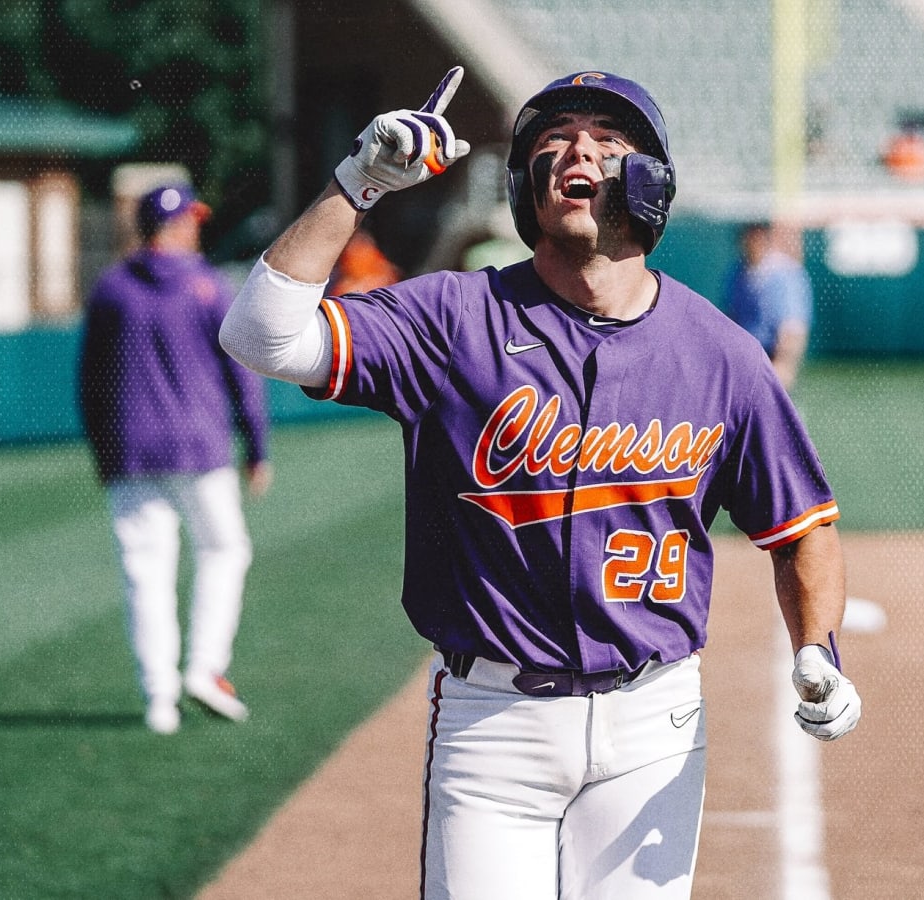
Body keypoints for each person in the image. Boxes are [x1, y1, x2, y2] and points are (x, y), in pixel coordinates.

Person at [219, 67, 860, 898]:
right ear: (527, 188)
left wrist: (820, 649)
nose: (573, 153)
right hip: (495, 725)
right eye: (551, 144)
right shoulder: (451, 319)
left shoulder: (721, 354)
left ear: (651, 180)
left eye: (604, 139)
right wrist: (359, 182)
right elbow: (260, 335)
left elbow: (801, 528)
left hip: (653, 721)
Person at [78, 182, 272, 735]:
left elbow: (89, 382)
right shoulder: (208, 285)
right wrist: (257, 446)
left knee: (147, 573)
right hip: (202, 448)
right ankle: (206, 669)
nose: (197, 227)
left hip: (132, 453)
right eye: (191, 218)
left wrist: (102, 451)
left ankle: (158, 699)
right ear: (180, 224)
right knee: (224, 550)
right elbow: (243, 370)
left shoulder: (112, 288)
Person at [724, 222, 814, 390]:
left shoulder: (785, 275)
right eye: (749, 235)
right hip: (744, 360)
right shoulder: (736, 273)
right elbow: (730, 320)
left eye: (757, 235)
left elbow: (793, 332)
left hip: (771, 359)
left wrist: (779, 372)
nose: (753, 241)